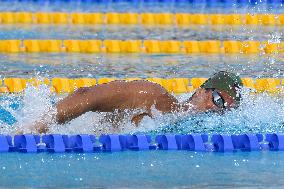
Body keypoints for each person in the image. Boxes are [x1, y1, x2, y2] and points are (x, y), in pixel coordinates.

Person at [28, 71, 243, 133]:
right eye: (217, 100)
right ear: (200, 91)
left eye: (224, 110)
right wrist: (31, 130)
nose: (215, 110)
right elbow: (86, 95)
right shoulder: (153, 98)